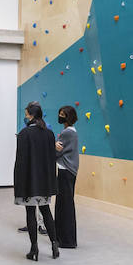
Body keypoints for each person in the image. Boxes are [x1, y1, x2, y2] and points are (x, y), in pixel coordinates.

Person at [14, 101, 58, 261]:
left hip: (30, 181)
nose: (25, 117)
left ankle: (34, 249)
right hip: (45, 182)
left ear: (31, 115)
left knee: (31, 213)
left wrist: (19, 183)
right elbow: (51, 159)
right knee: (46, 211)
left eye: (26, 114)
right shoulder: (49, 133)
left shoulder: (24, 134)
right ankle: (54, 245)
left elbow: (21, 161)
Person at [54, 105, 79, 249]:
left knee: (64, 206)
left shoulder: (66, 133)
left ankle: (65, 240)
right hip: (70, 171)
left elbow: (58, 152)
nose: (60, 116)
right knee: (67, 204)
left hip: (65, 171)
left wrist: (52, 147)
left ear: (68, 117)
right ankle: (66, 238)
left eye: (63, 114)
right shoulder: (73, 132)